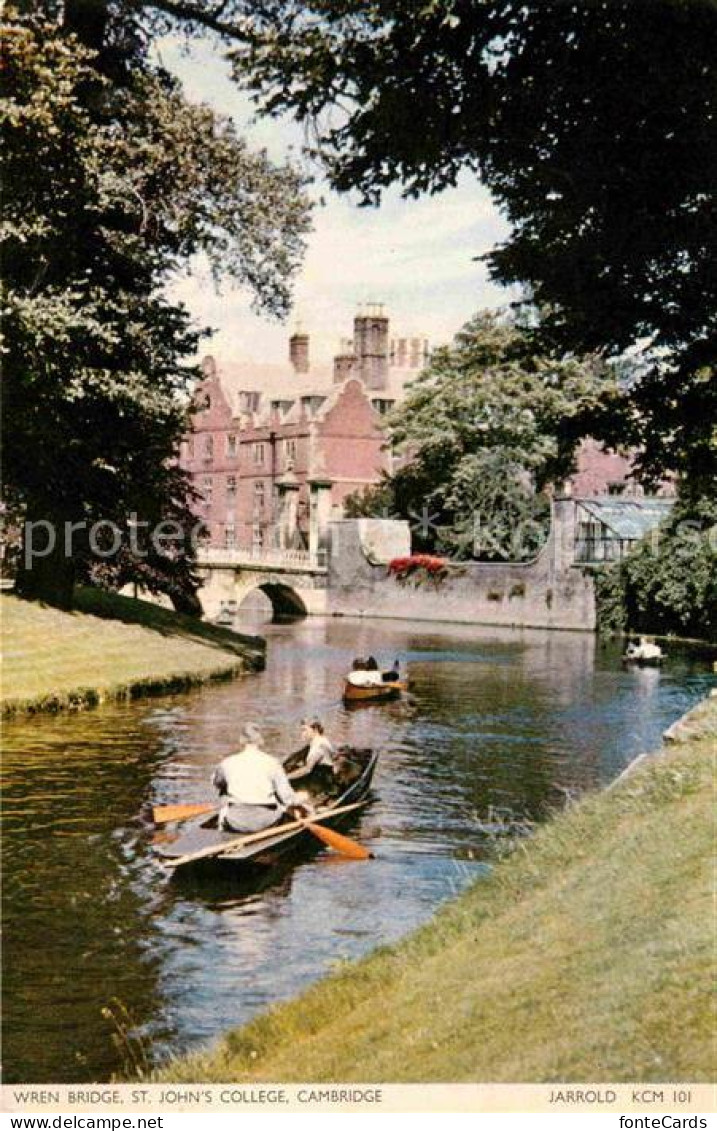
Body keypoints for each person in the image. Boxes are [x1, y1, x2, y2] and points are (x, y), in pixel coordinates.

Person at [212, 723, 307, 833]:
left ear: (241, 740)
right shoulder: (272, 762)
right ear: (260, 740)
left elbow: (217, 783)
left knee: (224, 803)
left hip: (235, 822)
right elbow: (287, 798)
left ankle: (222, 830)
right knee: (290, 808)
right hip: (266, 822)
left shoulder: (227, 763)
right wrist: (301, 799)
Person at [289, 718, 336, 785]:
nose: (302, 734)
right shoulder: (321, 739)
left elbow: (307, 769)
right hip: (324, 774)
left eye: (305, 730)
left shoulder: (318, 746)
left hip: (322, 780)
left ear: (315, 730)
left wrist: (286, 777)